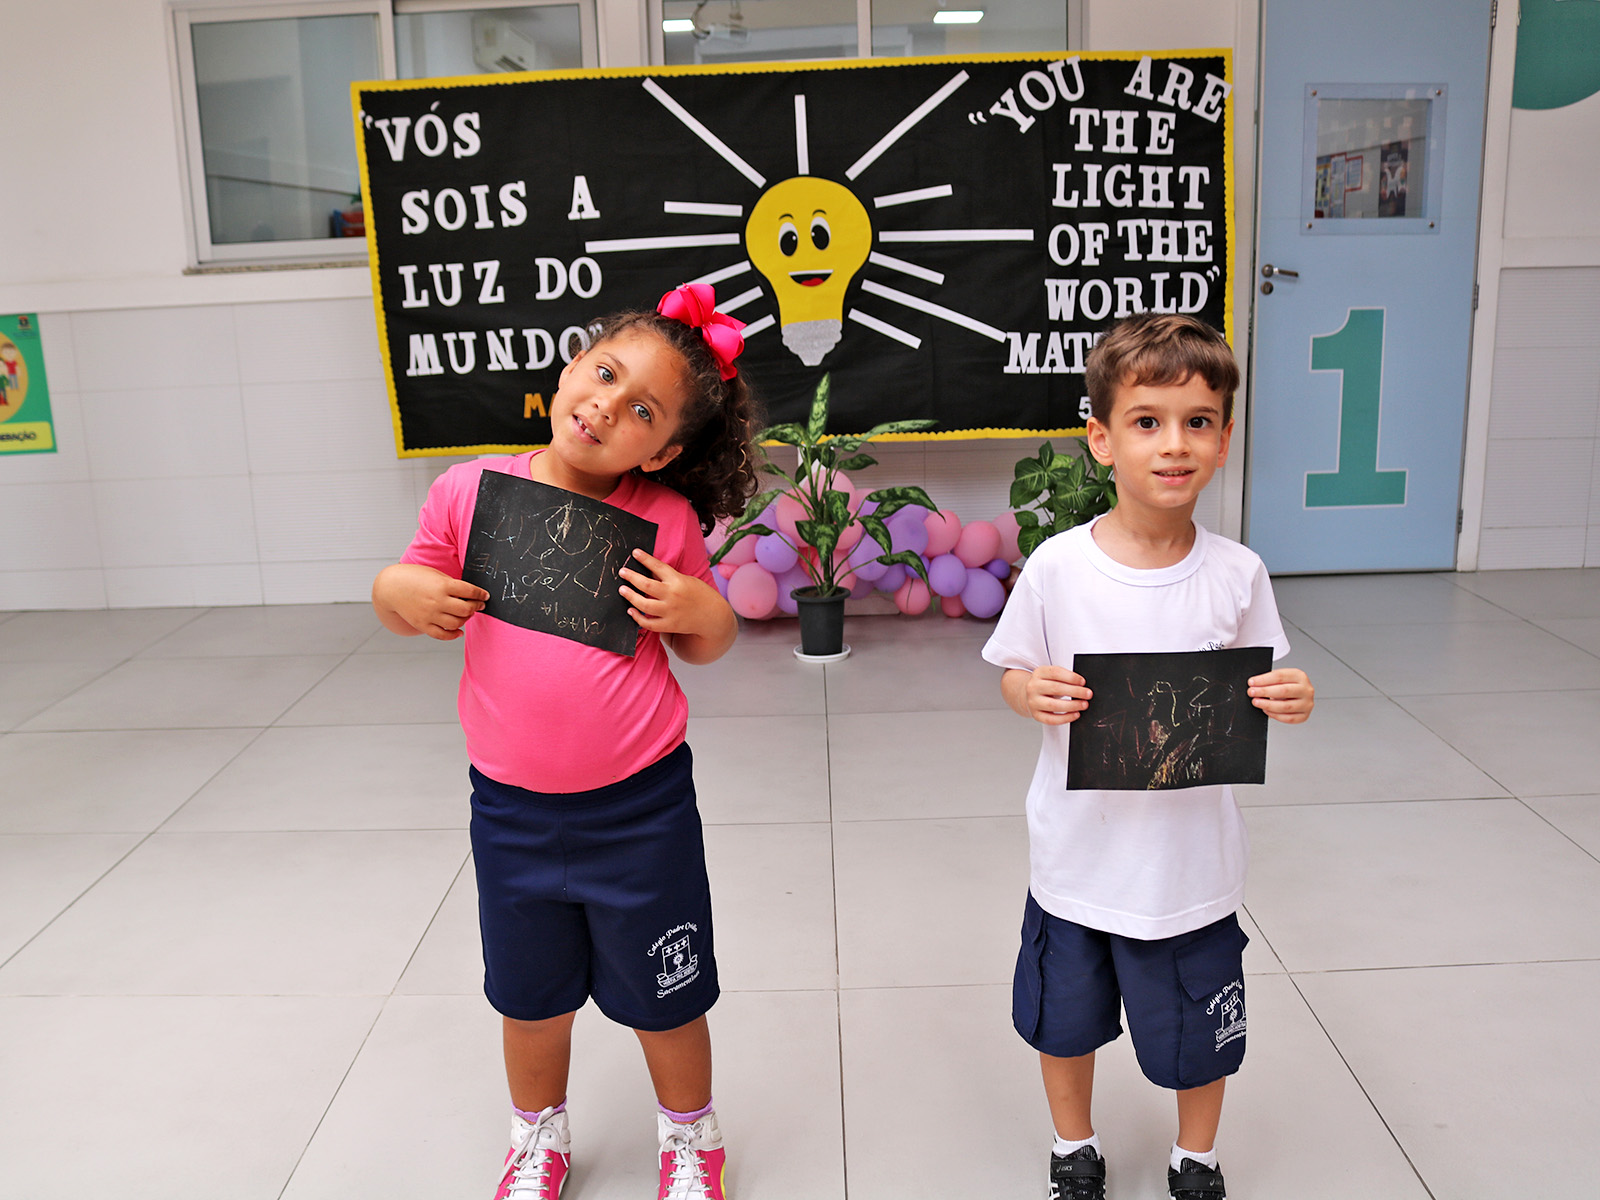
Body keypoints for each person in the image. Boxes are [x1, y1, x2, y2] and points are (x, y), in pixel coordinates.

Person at [372, 283, 761, 1200]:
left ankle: (691, 1138)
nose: (608, 406)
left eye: (644, 411)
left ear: (661, 452)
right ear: (571, 367)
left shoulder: (663, 520)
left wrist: (701, 608)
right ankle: (537, 1136)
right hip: (511, 812)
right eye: (606, 373)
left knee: (668, 994)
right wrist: (400, 593)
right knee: (529, 996)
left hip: (641, 809)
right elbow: (400, 595)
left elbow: (705, 645)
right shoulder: (469, 492)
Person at [981, 312, 1315, 1200]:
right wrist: (1030, 691)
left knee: (1202, 1031)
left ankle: (1194, 1156)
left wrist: (1290, 695)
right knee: (1065, 1020)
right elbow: (1013, 670)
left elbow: (1263, 678)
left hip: (1190, 868)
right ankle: (1074, 1147)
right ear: (1102, 440)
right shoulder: (1059, 568)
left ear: (1224, 440)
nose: (1174, 444)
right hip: (1077, 859)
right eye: (1146, 422)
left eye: (1198, 422)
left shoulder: (1238, 573)